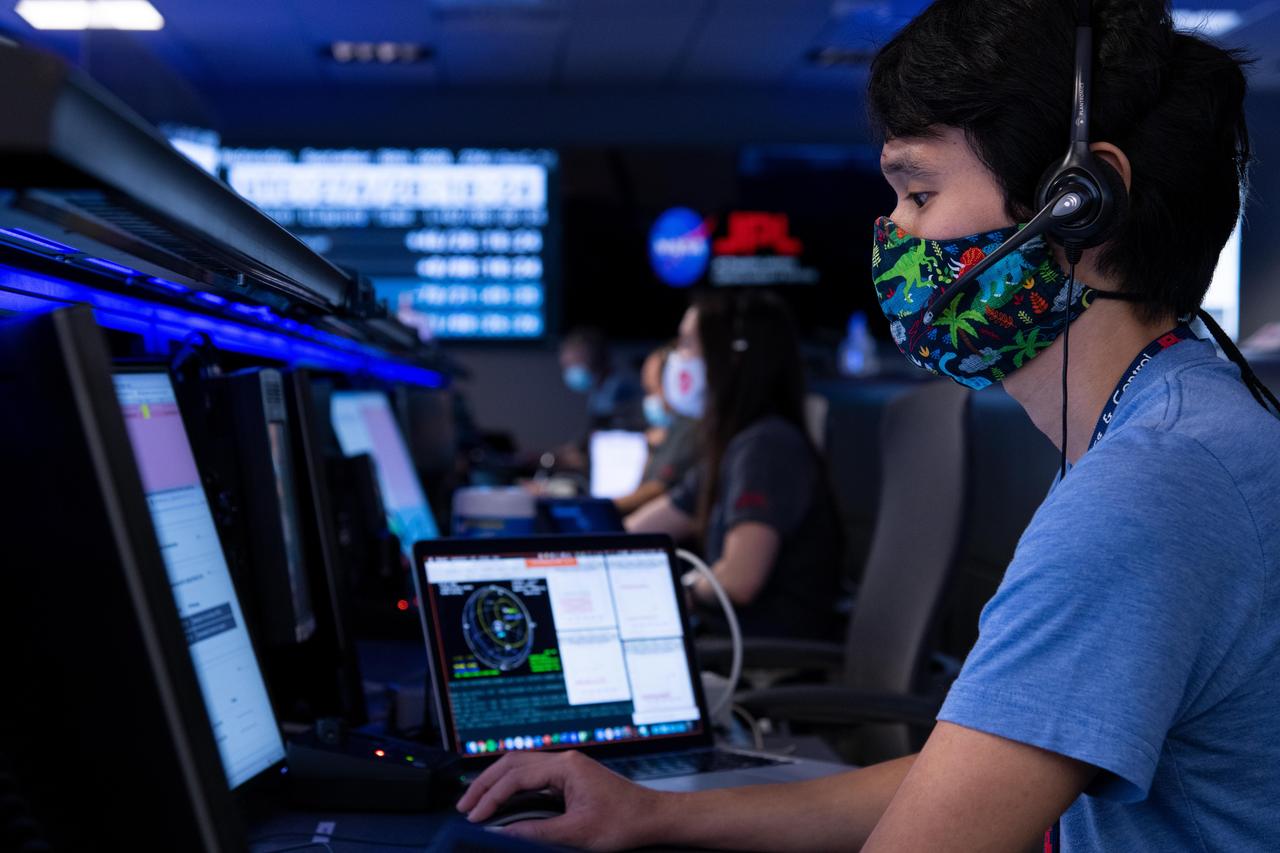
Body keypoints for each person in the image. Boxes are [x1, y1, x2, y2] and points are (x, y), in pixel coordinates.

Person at [455, 2, 1280, 850]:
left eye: (920, 191)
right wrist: (654, 812)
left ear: (1081, 205)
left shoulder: (1149, 489)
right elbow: (966, 778)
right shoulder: (1182, 426)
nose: (897, 235)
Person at [625, 290, 845, 642]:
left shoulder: (765, 446)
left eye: (686, 345)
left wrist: (683, 592)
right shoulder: (730, 447)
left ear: (731, 357)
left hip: (764, 664)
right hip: (732, 646)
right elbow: (638, 530)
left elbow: (739, 580)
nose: (676, 360)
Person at [613, 343, 699, 516]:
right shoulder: (664, 433)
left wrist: (602, 507)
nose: (649, 399)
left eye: (652, 389)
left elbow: (657, 489)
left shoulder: (690, 429)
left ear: (673, 384)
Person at [559, 326, 642, 433]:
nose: (571, 371)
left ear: (595, 359)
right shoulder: (598, 390)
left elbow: (617, 433)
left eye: (574, 364)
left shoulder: (621, 390)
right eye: (567, 365)